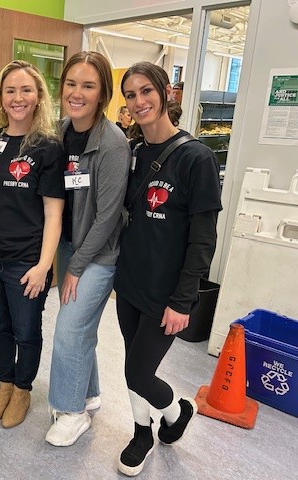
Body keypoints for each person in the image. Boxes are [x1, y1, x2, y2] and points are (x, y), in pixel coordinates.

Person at [114, 62, 222, 476]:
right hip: (130, 283)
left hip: (168, 295)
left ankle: (177, 410)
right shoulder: (134, 152)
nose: (139, 101)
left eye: (146, 91)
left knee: (140, 372)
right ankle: (142, 433)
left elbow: (203, 240)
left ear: (165, 93)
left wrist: (183, 301)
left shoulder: (197, 158)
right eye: (130, 94)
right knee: (132, 365)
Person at [45, 51, 131, 447]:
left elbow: (109, 215)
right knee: (80, 328)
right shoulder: (59, 131)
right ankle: (90, 393)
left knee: (68, 330)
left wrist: (76, 266)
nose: (77, 93)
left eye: (89, 86)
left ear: (102, 95)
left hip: (96, 255)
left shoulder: (112, 144)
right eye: (71, 83)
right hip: (67, 247)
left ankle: (72, 411)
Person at [0, 60, 65, 429]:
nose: (18, 98)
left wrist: (44, 265)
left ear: (39, 96)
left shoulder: (48, 148)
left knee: (27, 330)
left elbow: (54, 215)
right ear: (0, 97)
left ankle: (23, 388)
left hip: (25, 262)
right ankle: (5, 383)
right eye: (10, 90)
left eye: (26, 90)